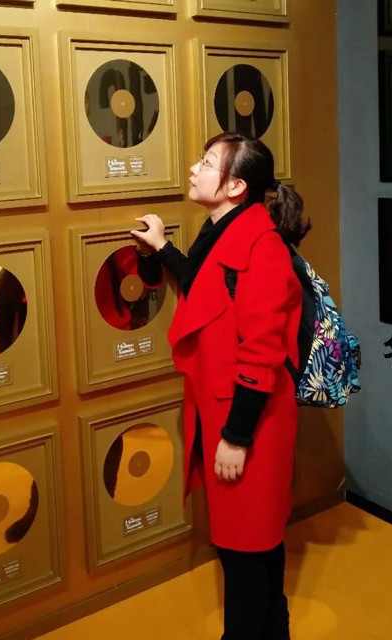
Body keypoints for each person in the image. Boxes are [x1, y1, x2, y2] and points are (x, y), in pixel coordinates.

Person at [130, 131, 311, 640]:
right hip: (227, 406)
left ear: (235, 186)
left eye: (207, 162)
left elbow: (262, 351)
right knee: (252, 541)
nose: (194, 168)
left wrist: (236, 436)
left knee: (246, 548)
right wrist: (161, 248)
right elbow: (207, 287)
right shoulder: (224, 228)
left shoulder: (262, 246)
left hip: (250, 418)